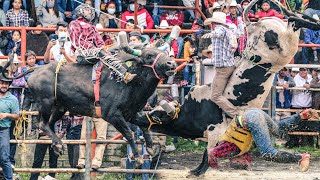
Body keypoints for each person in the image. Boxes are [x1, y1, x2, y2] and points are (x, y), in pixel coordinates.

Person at [207, 108, 311, 171]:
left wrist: (216, 169)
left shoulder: (231, 149)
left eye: (240, 163)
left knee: (267, 153)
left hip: (251, 118)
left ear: (235, 159)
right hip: (254, 113)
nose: (245, 163)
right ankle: (300, 116)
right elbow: (246, 162)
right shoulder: (242, 152)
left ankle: (300, 157)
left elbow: (211, 153)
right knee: (277, 130)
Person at [69, 4, 136, 83]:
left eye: (90, 10)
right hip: (82, 53)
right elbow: (77, 42)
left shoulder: (92, 27)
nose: (90, 12)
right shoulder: (74, 23)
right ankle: (124, 74)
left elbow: (99, 41)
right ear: (80, 11)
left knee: (116, 48)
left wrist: (103, 48)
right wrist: (94, 48)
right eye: (87, 9)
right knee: (99, 52)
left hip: (94, 52)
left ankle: (118, 76)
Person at [204, 12, 239, 118]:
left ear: (214, 23)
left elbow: (218, 33)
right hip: (229, 64)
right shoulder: (229, 31)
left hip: (223, 68)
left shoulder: (220, 29)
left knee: (215, 96)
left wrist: (210, 34)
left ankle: (236, 114)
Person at [285, 67, 313, 148]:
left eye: (304, 70)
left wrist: (310, 85)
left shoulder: (311, 78)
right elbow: (292, 85)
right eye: (300, 70)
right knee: (294, 125)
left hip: (307, 105)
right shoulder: (295, 79)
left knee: (307, 126)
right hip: (296, 105)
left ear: (307, 71)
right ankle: (294, 143)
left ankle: (307, 144)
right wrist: (304, 85)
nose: (302, 71)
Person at [0, 74, 20, 180]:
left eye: (6, 84)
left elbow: (17, 116)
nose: (4, 85)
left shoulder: (13, 99)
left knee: (4, 157)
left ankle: (9, 178)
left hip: (4, 130)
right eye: (2, 83)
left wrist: (6, 115)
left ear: (8, 85)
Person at [21, 50, 38, 137]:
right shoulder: (24, 69)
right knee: (24, 111)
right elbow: (23, 78)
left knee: (35, 112)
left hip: (35, 95)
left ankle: (34, 130)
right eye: (29, 59)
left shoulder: (38, 68)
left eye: (33, 58)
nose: (32, 60)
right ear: (26, 61)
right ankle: (24, 129)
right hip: (27, 94)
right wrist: (25, 83)